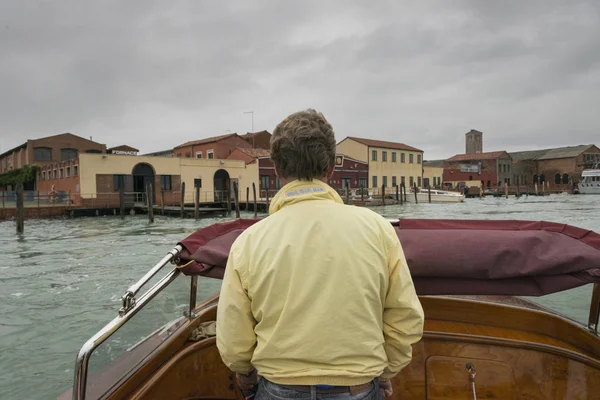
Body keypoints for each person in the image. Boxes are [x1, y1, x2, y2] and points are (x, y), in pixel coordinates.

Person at [216, 109, 424, 400]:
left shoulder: (248, 242)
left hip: (279, 389)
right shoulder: (379, 230)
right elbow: (405, 317)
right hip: (359, 388)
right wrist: (386, 371)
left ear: (276, 170)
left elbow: (234, 338)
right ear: (330, 170)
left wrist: (245, 374)